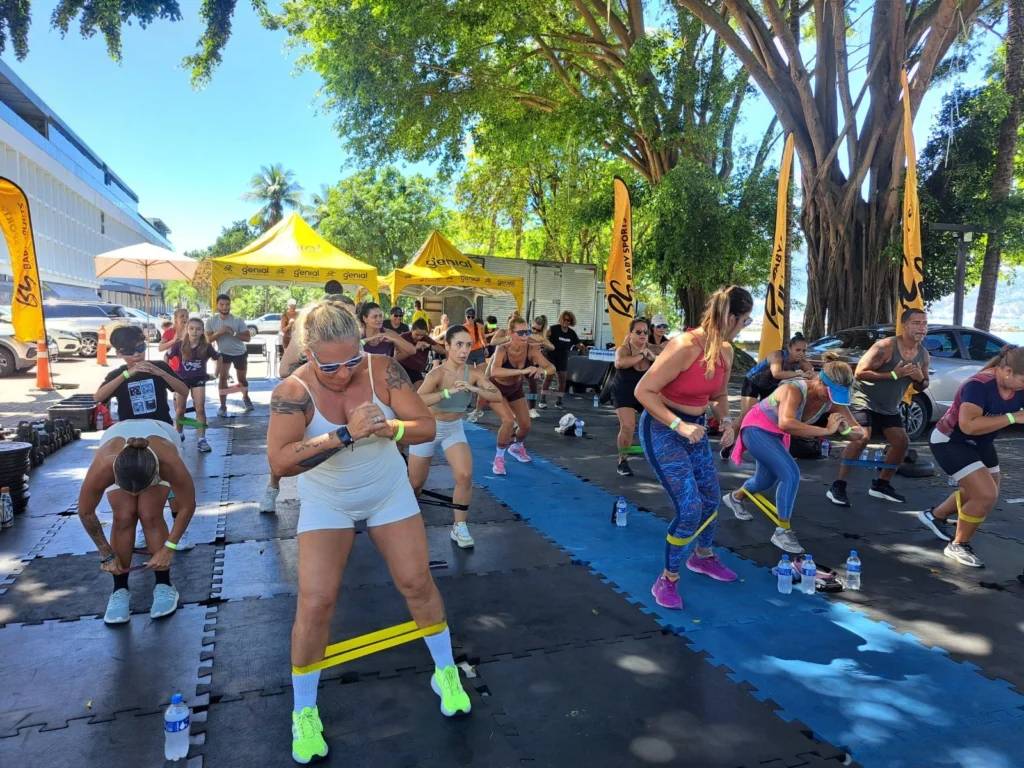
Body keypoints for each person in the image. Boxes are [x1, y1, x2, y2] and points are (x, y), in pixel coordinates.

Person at [266, 301, 470, 763]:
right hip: (327, 501)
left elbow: (423, 425)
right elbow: (279, 462)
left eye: (352, 359)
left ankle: (445, 672)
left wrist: (391, 427)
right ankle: (304, 710)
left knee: (417, 582)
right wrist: (345, 434)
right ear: (308, 354)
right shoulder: (292, 390)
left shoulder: (383, 370)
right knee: (316, 601)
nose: (344, 372)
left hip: (386, 492)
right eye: (331, 364)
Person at [634, 285, 753, 610]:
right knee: (690, 508)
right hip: (662, 427)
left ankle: (702, 557)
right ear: (731, 317)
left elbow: (717, 396)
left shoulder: (726, 351)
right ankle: (667, 579)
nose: (746, 325)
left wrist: (727, 422)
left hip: (695, 430)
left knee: (711, 500)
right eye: (745, 319)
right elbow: (644, 391)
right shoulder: (685, 346)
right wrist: (679, 424)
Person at [723, 355, 863, 553]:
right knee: (791, 474)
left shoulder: (832, 400)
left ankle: (735, 498)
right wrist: (826, 431)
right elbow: (786, 423)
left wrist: (845, 429)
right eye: (829, 392)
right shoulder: (794, 389)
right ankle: (782, 531)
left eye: (836, 396)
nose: (830, 399)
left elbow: (859, 433)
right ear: (819, 381)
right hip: (756, 428)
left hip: (777, 436)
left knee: (764, 481)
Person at [76, 421, 197, 624]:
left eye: (139, 490)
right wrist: (106, 553)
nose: (134, 494)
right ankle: (119, 588)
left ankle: (164, 585)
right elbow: (85, 511)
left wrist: (169, 548)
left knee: (150, 514)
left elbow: (187, 505)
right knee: (123, 516)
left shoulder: (169, 462)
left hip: (160, 439)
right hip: (119, 445)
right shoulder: (105, 464)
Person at [917, 346, 1024, 568]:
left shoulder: (1018, 385)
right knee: (985, 495)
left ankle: (935, 515)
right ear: (1007, 372)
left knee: (984, 489)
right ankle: (958, 545)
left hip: (981, 442)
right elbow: (968, 426)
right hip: (951, 441)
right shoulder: (978, 385)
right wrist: (1013, 417)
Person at [409, 325, 504, 547]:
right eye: (459, 345)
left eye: (468, 345)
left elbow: (497, 395)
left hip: (453, 428)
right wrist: (447, 392)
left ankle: (459, 527)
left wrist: (475, 390)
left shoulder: (475, 374)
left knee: (465, 475)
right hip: (429, 428)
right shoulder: (437, 374)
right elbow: (417, 400)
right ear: (447, 346)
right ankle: (407, 522)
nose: (464, 350)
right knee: (415, 485)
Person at [827, 308, 930, 507]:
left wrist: (920, 380)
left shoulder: (923, 354)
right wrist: (893, 375)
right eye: (916, 323)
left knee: (901, 442)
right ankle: (838, 486)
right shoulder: (886, 346)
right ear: (905, 325)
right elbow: (860, 372)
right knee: (861, 438)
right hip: (864, 398)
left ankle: (881, 485)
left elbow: (923, 384)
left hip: (890, 405)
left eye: (924, 323)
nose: (922, 328)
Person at [488, 315, 556, 475]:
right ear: (511, 334)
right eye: (521, 333)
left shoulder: (531, 349)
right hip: (495, 388)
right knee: (508, 421)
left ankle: (517, 447)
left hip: (514, 388)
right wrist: (522, 371)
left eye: (527, 332)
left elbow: (551, 367)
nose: (525, 336)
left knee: (526, 425)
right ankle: (499, 458)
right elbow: (495, 371)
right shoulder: (502, 349)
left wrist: (543, 370)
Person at [612, 318, 659, 477]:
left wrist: (655, 359)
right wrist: (641, 355)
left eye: (645, 332)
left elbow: (671, 359)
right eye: (638, 332)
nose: (642, 335)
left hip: (645, 392)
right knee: (628, 426)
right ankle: (622, 460)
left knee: (660, 426)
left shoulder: (652, 349)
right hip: (624, 391)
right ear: (630, 334)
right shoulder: (623, 349)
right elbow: (619, 363)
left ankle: (645, 452)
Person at [167, 318, 219, 453]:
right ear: (187, 330)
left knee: (200, 408)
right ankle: (179, 433)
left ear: (202, 331)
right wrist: (169, 374)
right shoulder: (180, 345)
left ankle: (202, 439)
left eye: (198, 329)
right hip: (182, 379)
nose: (194, 332)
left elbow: (219, 358)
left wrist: (216, 374)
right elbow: (167, 356)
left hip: (199, 380)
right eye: (191, 328)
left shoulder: (206, 346)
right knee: (180, 409)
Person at [739, 333, 814, 426]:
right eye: (798, 350)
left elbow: (812, 375)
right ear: (789, 349)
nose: (801, 353)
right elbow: (776, 373)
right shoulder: (778, 355)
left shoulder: (802, 362)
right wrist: (800, 373)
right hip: (753, 382)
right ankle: (730, 436)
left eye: (804, 351)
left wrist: (811, 374)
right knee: (745, 415)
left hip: (770, 386)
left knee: (768, 416)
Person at [205, 294, 253, 417]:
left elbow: (248, 338)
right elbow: (207, 340)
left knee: (242, 379)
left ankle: (246, 397)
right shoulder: (211, 321)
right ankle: (223, 406)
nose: (224, 307)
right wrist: (219, 333)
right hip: (223, 354)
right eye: (221, 304)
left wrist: (233, 333)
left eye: (227, 304)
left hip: (239, 353)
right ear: (217, 305)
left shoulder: (238, 320)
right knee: (222, 378)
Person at [540, 311, 586, 410]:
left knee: (563, 379)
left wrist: (583, 347)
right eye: (564, 319)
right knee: (549, 376)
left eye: (568, 320)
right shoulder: (553, 329)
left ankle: (559, 401)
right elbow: (543, 336)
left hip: (562, 357)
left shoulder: (571, 333)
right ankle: (543, 399)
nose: (566, 322)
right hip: (550, 356)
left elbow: (578, 344)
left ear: (571, 321)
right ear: (561, 319)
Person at [399, 319, 447, 389]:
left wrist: (429, 346)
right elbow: (396, 357)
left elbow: (442, 351)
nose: (419, 337)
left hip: (416, 371)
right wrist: (414, 349)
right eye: (417, 334)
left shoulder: (426, 339)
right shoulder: (403, 337)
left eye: (422, 335)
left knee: (421, 390)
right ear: (412, 330)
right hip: (401, 367)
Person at [462, 308, 490, 422]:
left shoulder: (478, 326)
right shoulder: (463, 327)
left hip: (478, 352)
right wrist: (467, 343)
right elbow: (459, 341)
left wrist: (485, 347)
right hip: (468, 352)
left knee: (483, 380)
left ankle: (479, 409)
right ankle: (465, 405)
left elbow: (482, 338)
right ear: (465, 317)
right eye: (468, 317)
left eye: (472, 317)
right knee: (468, 380)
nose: (470, 319)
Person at [526, 315, 554, 418]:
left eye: (537, 329)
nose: (534, 330)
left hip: (529, 362)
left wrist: (543, 343)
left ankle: (531, 408)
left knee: (533, 385)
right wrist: (539, 342)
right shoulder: (527, 332)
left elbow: (552, 347)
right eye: (533, 328)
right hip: (517, 361)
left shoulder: (542, 337)